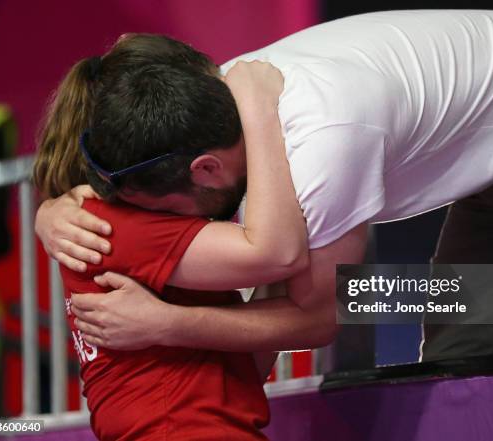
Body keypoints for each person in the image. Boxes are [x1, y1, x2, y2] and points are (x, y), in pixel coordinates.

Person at [36, 10, 493, 361]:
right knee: (457, 355)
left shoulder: (325, 141)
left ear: (206, 169)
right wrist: (54, 213)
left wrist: (166, 323)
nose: (184, 231)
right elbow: (307, 292)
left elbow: (317, 316)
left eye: (169, 218)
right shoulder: (192, 110)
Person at [33, 34, 310, 439]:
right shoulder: (112, 228)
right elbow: (282, 258)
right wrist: (259, 111)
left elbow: (295, 324)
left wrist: (169, 323)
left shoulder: (102, 221)